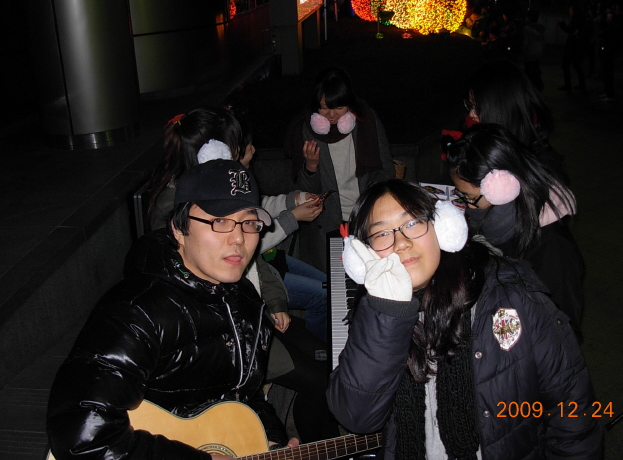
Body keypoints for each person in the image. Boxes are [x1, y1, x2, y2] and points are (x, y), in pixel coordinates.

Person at [327, 179, 603, 459]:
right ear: (363, 255)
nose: (401, 243)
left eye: (412, 223)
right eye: (382, 233)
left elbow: (574, 414)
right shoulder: (374, 313)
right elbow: (357, 417)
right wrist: (387, 314)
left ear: (443, 227)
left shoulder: (513, 295)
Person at [47, 159, 299, 459]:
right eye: (220, 221)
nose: (239, 238)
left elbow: (244, 393)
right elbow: (81, 437)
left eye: (249, 222)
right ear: (179, 228)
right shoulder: (135, 312)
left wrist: (270, 441)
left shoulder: (244, 298)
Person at [147, 107, 328, 341]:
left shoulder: (222, 185)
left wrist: (292, 201)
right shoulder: (178, 205)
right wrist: (292, 218)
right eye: (237, 148)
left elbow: (254, 253)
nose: (239, 236)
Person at [447, 123, 585, 339]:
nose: (467, 205)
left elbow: (564, 330)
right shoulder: (500, 221)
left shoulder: (552, 249)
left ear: (502, 188)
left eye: (470, 197)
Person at [284, 66, 395, 273]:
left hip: (365, 217)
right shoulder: (306, 130)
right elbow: (304, 192)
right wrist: (311, 166)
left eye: (339, 107)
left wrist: (370, 199)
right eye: (324, 108)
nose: (331, 115)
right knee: (334, 280)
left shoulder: (367, 123)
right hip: (327, 226)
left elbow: (385, 170)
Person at [459, 59, 565, 177]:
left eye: (477, 108)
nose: (471, 114)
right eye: (470, 105)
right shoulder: (477, 136)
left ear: (501, 110)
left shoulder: (539, 171)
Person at [558, 3, 587, 92]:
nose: (569, 12)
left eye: (571, 10)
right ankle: (581, 85)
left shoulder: (576, 21)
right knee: (576, 65)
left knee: (566, 65)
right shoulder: (579, 20)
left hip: (572, 46)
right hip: (576, 46)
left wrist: (562, 23)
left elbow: (570, 31)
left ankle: (568, 85)